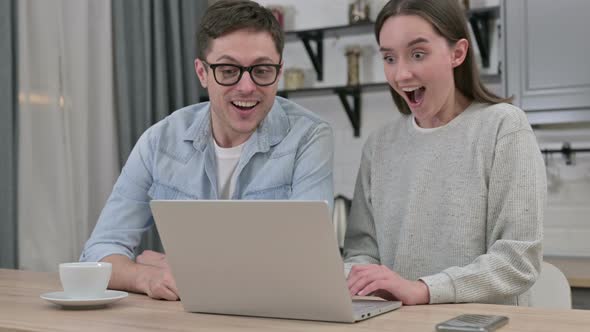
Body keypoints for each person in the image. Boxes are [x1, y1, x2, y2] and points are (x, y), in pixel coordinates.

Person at [80, 0, 334, 301]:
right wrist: (145, 275)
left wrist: (188, 270)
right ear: (202, 73)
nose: (247, 86)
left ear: (278, 72)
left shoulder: (309, 136)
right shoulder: (159, 141)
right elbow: (98, 253)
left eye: (262, 70)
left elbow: (307, 262)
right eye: (228, 70)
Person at [343, 0, 546, 306]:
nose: (401, 75)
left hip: (482, 324)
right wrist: (359, 280)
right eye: (389, 58)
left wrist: (423, 289)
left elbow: (518, 260)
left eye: (418, 54)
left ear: (457, 53)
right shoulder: (379, 145)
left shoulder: (503, 126)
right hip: (397, 324)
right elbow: (361, 252)